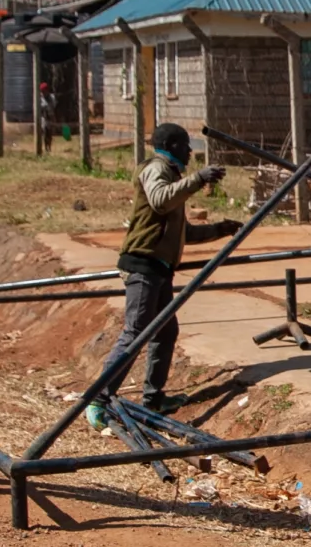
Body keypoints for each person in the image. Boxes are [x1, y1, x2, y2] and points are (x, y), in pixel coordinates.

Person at [86, 123, 229, 430]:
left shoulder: (172, 177)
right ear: (172, 145)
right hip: (143, 264)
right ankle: (97, 399)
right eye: (186, 145)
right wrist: (198, 179)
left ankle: (153, 398)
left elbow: (182, 232)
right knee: (136, 332)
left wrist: (220, 229)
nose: (190, 151)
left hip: (159, 267)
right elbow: (160, 200)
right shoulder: (156, 169)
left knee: (164, 332)